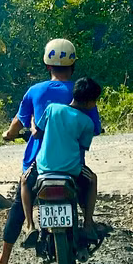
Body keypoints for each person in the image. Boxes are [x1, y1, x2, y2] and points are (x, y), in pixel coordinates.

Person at [0, 38, 102, 264]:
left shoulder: (35, 91)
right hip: (72, 166)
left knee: (19, 206)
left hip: (38, 164)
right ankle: (87, 225)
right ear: (73, 66)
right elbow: (94, 128)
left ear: (47, 66)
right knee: (85, 189)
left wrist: (9, 134)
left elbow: (19, 123)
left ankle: (4, 259)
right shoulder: (82, 92)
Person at [19, 77, 102, 249]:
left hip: (43, 168)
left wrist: (33, 122)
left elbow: (36, 134)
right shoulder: (87, 123)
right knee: (93, 179)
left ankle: (29, 226)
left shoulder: (52, 109)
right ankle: (87, 224)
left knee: (24, 181)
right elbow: (82, 146)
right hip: (72, 171)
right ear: (90, 102)